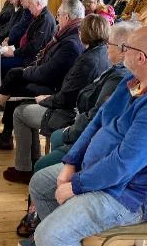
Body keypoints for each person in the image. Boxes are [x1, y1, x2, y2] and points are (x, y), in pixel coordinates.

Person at [25, 26, 147, 246]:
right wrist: (71, 162)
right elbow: (98, 121)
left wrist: (76, 185)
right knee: (40, 183)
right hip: (102, 175)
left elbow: (122, 165)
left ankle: (54, 238)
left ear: (141, 57)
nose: (122, 52)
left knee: (49, 235)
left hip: (128, 196)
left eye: (126, 48)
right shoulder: (136, 80)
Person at [16, 21, 137, 239]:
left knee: (44, 163)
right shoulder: (110, 67)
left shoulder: (120, 77)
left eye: (111, 44)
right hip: (81, 126)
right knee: (56, 139)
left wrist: (72, 137)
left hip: (88, 140)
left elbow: (96, 119)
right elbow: (96, 114)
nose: (107, 47)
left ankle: (44, 221)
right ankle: (43, 217)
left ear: (123, 50)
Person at [6, 14, 111, 184]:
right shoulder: (102, 54)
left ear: (84, 33)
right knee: (26, 105)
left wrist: (46, 99)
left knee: (19, 113)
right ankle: (32, 161)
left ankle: (23, 169)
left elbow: (68, 98)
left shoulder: (87, 60)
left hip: (68, 113)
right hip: (72, 106)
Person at [0, 0, 85, 150]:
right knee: (13, 78)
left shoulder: (71, 42)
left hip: (54, 89)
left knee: (14, 79)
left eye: (59, 15)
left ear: (67, 17)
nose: (57, 18)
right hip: (51, 80)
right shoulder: (69, 35)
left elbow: (49, 71)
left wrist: (27, 71)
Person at [0, 0, 56, 79]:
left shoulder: (45, 19)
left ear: (38, 4)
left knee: (0, 64)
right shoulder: (38, 16)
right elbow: (26, 39)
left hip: (32, 59)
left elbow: (35, 46)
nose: (29, 6)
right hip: (26, 54)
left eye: (30, 4)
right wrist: (13, 48)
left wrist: (14, 52)